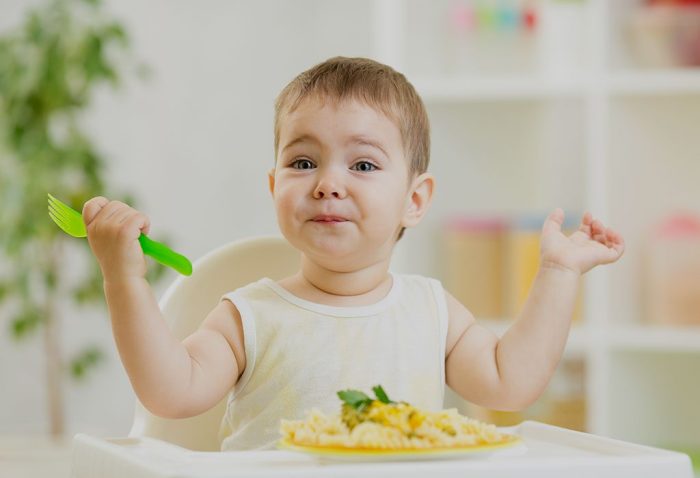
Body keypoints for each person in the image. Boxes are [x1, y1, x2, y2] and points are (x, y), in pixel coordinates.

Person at [81, 57, 625, 450]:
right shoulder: (248, 316)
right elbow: (169, 393)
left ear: (414, 200)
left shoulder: (431, 311)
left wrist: (557, 272)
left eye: (362, 165)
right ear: (274, 187)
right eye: (302, 162)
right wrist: (122, 279)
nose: (327, 183)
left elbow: (512, 382)